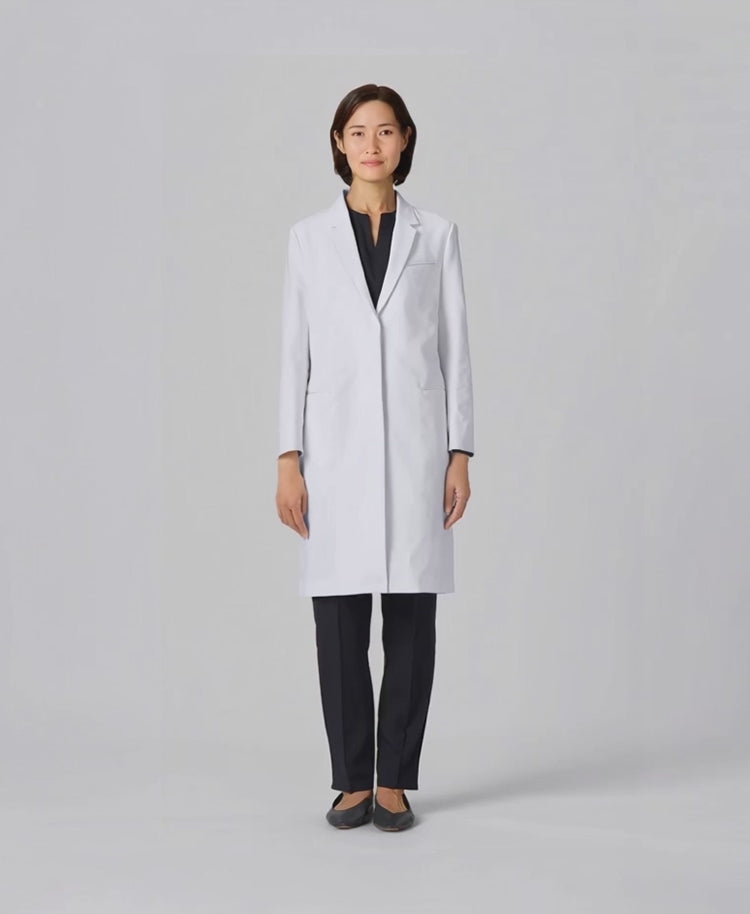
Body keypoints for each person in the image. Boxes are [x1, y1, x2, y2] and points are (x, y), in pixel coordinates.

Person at [275, 83, 475, 831]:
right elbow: (292, 354)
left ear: (405, 140)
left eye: (385, 131)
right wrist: (288, 457)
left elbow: (455, 348)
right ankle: (351, 780)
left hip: (418, 449)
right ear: (339, 143)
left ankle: (394, 780)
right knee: (338, 624)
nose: (371, 145)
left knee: (412, 621)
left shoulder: (437, 235)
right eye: (357, 132)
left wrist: (459, 451)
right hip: (333, 453)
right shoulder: (308, 238)